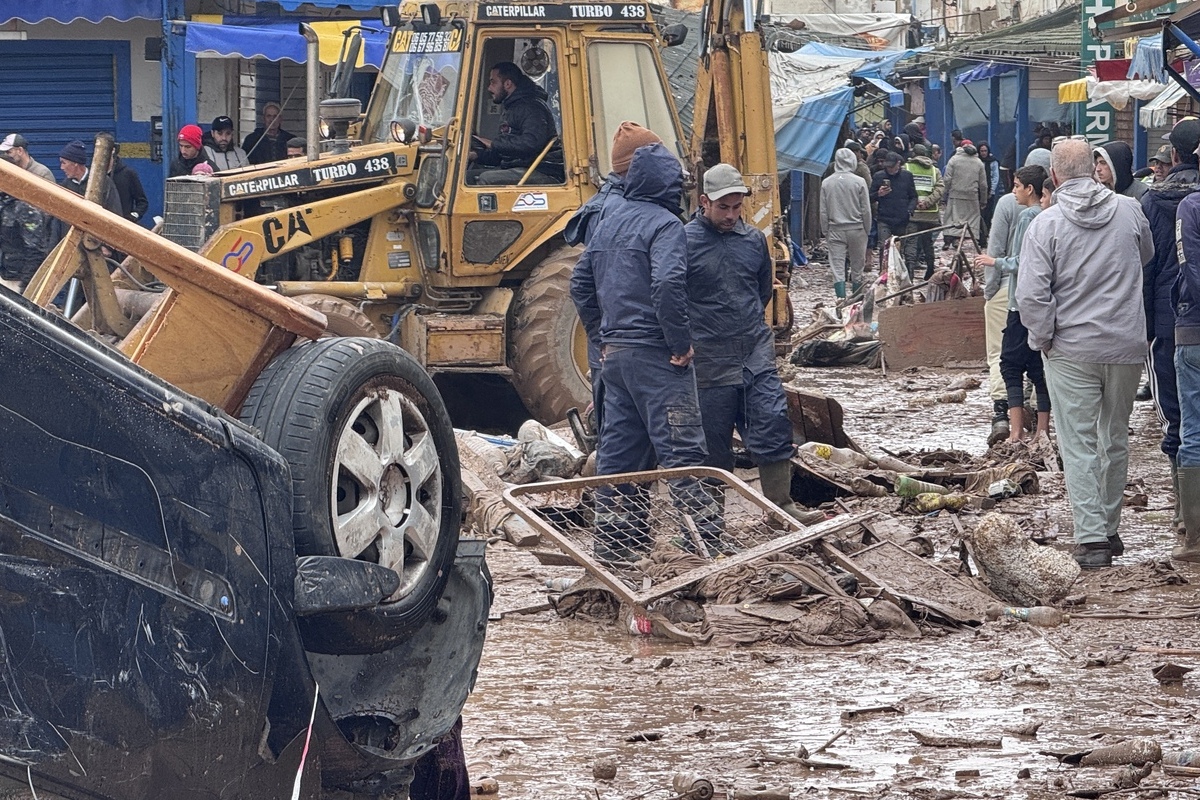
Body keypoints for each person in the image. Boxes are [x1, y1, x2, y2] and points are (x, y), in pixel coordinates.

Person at [569, 141, 715, 560]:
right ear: (669, 185)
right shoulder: (666, 225)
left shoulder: (609, 221)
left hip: (615, 360)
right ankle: (707, 549)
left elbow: (579, 284)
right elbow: (667, 283)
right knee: (684, 455)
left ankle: (614, 550)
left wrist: (601, 337)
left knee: (618, 457)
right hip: (657, 357)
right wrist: (679, 343)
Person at [1016, 138, 1153, 569]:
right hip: (1126, 344)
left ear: (1054, 177)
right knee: (1115, 436)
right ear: (1094, 169)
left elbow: (1031, 295)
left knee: (1078, 444)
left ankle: (1092, 538)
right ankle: (1109, 529)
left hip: (1071, 348)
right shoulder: (1130, 210)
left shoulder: (1046, 224)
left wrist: (1044, 339)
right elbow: (1145, 256)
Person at [685, 163, 808, 521]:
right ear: (704, 202)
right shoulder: (684, 242)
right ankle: (709, 521)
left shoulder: (752, 241)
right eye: (723, 207)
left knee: (772, 422)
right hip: (709, 357)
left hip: (753, 352)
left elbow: (761, 291)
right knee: (712, 443)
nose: (730, 215)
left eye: (737, 207)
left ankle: (781, 506)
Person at [563, 121, 664, 443]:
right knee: (628, 436)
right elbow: (612, 284)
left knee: (622, 435)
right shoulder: (619, 210)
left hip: (613, 341)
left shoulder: (609, 204)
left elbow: (585, 283)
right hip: (627, 342)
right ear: (638, 166)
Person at [1140, 118, 1200, 539]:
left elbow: (1144, 267)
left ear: (1174, 155)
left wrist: (1143, 324)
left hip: (1170, 322)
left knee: (1176, 418)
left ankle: (1185, 515)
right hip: (1185, 316)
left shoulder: (1153, 200)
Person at [974, 165, 1051, 442]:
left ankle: (1013, 430)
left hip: (1019, 302)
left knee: (1009, 363)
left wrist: (993, 264)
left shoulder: (1027, 215)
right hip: (1044, 302)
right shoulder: (1051, 215)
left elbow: (1020, 259)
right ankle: (1043, 431)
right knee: (1039, 367)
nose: (1013, 191)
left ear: (1031, 189)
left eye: (1017, 185)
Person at [468, 61, 562, 186]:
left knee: (486, 178)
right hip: (519, 167)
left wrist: (493, 144)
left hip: (542, 170)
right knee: (466, 178)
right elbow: (505, 155)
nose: (489, 88)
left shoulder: (531, 107)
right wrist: (476, 155)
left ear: (507, 84)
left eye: (493, 82)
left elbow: (531, 143)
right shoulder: (511, 108)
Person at [1169, 183, 1200, 561]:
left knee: (1193, 429)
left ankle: (1195, 537)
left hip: (1194, 330)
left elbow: (1189, 264)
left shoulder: (1190, 207)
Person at [821, 148, 871, 299]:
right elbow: (866, 209)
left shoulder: (826, 183)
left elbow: (823, 211)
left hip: (835, 229)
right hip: (857, 228)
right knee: (857, 266)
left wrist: (825, 230)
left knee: (837, 267)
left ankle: (840, 300)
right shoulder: (859, 182)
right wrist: (867, 229)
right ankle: (856, 299)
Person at [870, 151, 916, 276]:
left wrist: (910, 209)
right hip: (884, 217)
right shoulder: (879, 176)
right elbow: (869, 197)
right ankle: (883, 273)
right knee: (884, 246)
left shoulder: (907, 176)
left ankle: (897, 273)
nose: (890, 169)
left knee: (898, 247)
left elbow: (913, 196)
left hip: (902, 218)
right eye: (888, 167)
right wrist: (878, 194)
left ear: (898, 164)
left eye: (892, 166)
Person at [904, 144, 944, 281]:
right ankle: (930, 269)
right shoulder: (934, 170)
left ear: (913, 154)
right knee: (928, 242)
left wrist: (915, 203)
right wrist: (927, 202)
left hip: (912, 213)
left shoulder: (906, 167)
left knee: (911, 242)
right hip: (930, 214)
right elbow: (940, 189)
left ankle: (910, 271)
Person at [0, 192, 54, 291]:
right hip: (6, 273)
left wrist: (26, 285)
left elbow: (37, 250)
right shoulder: (5, 202)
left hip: (18, 279)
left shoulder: (26, 208)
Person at [941, 142, 988, 250]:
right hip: (972, 196)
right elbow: (983, 185)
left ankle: (948, 240)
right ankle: (967, 238)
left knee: (951, 218)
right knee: (971, 220)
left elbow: (947, 179)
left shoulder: (954, 160)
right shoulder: (978, 163)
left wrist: (944, 196)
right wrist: (983, 200)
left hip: (955, 195)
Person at [58, 140, 122, 217]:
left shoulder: (102, 182)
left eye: (64, 163)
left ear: (75, 163)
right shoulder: (65, 186)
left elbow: (115, 212)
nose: (61, 167)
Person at [109, 144, 149, 224]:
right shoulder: (95, 177)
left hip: (124, 224)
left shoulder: (128, 174)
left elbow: (142, 202)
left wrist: (133, 216)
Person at [978, 141, 1002, 245]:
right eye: (981, 151)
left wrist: (991, 191)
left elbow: (995, 177)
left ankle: (986, 232)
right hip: (978, 192)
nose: (983, 153)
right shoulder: (977, 161)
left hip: (989, 192)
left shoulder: (993, 161)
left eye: (985, 151)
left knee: (988, 214)